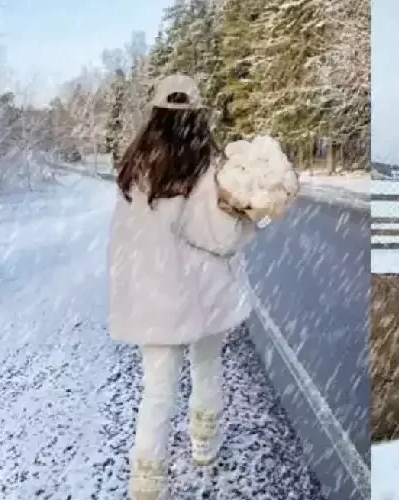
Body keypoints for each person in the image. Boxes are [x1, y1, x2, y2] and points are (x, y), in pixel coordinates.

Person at [107, 74, 298, 500]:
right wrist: (245, 216)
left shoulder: (133, 170)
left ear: (156, 114)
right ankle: (203, 447)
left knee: (156, 392)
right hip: (203, 296)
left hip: (152, 299)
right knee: (206, 369)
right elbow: (221, 239)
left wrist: (129, 287)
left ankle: (147, 478)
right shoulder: (207, 170)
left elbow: (121, 242)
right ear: (197, 116)